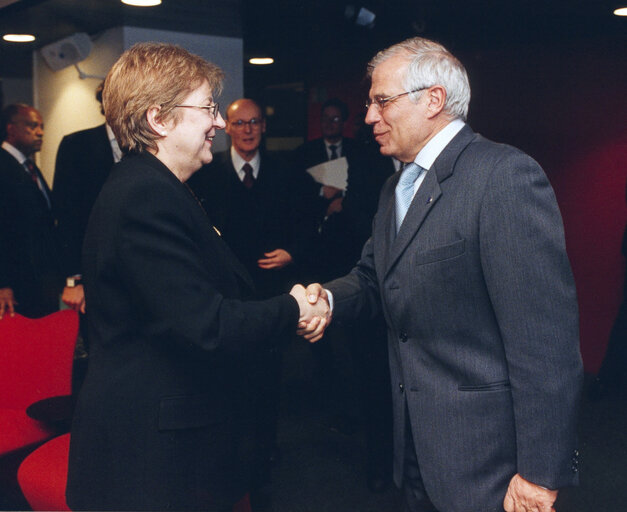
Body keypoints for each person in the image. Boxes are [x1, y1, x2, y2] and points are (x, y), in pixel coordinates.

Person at [301, 37, 583, 512]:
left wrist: (540, 473)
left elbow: (545, 343)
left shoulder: (505, 177)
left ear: (433, 99)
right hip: (415, 451)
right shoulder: (396, 186)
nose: (369, 116)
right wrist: (326, 300)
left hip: (491, 466)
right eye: (370, 103)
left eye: (382, 101)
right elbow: (375, 275)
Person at [65, 42, 328, 512]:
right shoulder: (146, 196)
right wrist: (294, 307)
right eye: (208, 107)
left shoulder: (159, 187)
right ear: (159, 119)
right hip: (149, 459)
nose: (221, 123)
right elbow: (207, 326)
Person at [187, 98, 317, 506]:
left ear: (263, 127)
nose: (247, 130)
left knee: (268, 376)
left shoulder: (287, 170)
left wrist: (293, 253)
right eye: (239, 122)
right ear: (226, 127)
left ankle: (264, 452)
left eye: (254, 122)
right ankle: (231, 457)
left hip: (272, 289)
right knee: (227, 378)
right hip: (224, 295)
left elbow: (309, 221)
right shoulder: (205, 173)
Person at [53, 81, 122, 316]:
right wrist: (73, 279)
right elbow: (66, 217)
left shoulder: (146, 147)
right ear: (104, 102)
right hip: (93, 275)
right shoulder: (77, 145)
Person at [0, 104, 63, 318]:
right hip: (17, 285)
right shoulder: (4, 166)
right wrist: (3, 283)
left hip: (41, 280)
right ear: (11, 129)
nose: (40, 132)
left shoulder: (29, 167)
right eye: (32, 125)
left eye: (42, 126)